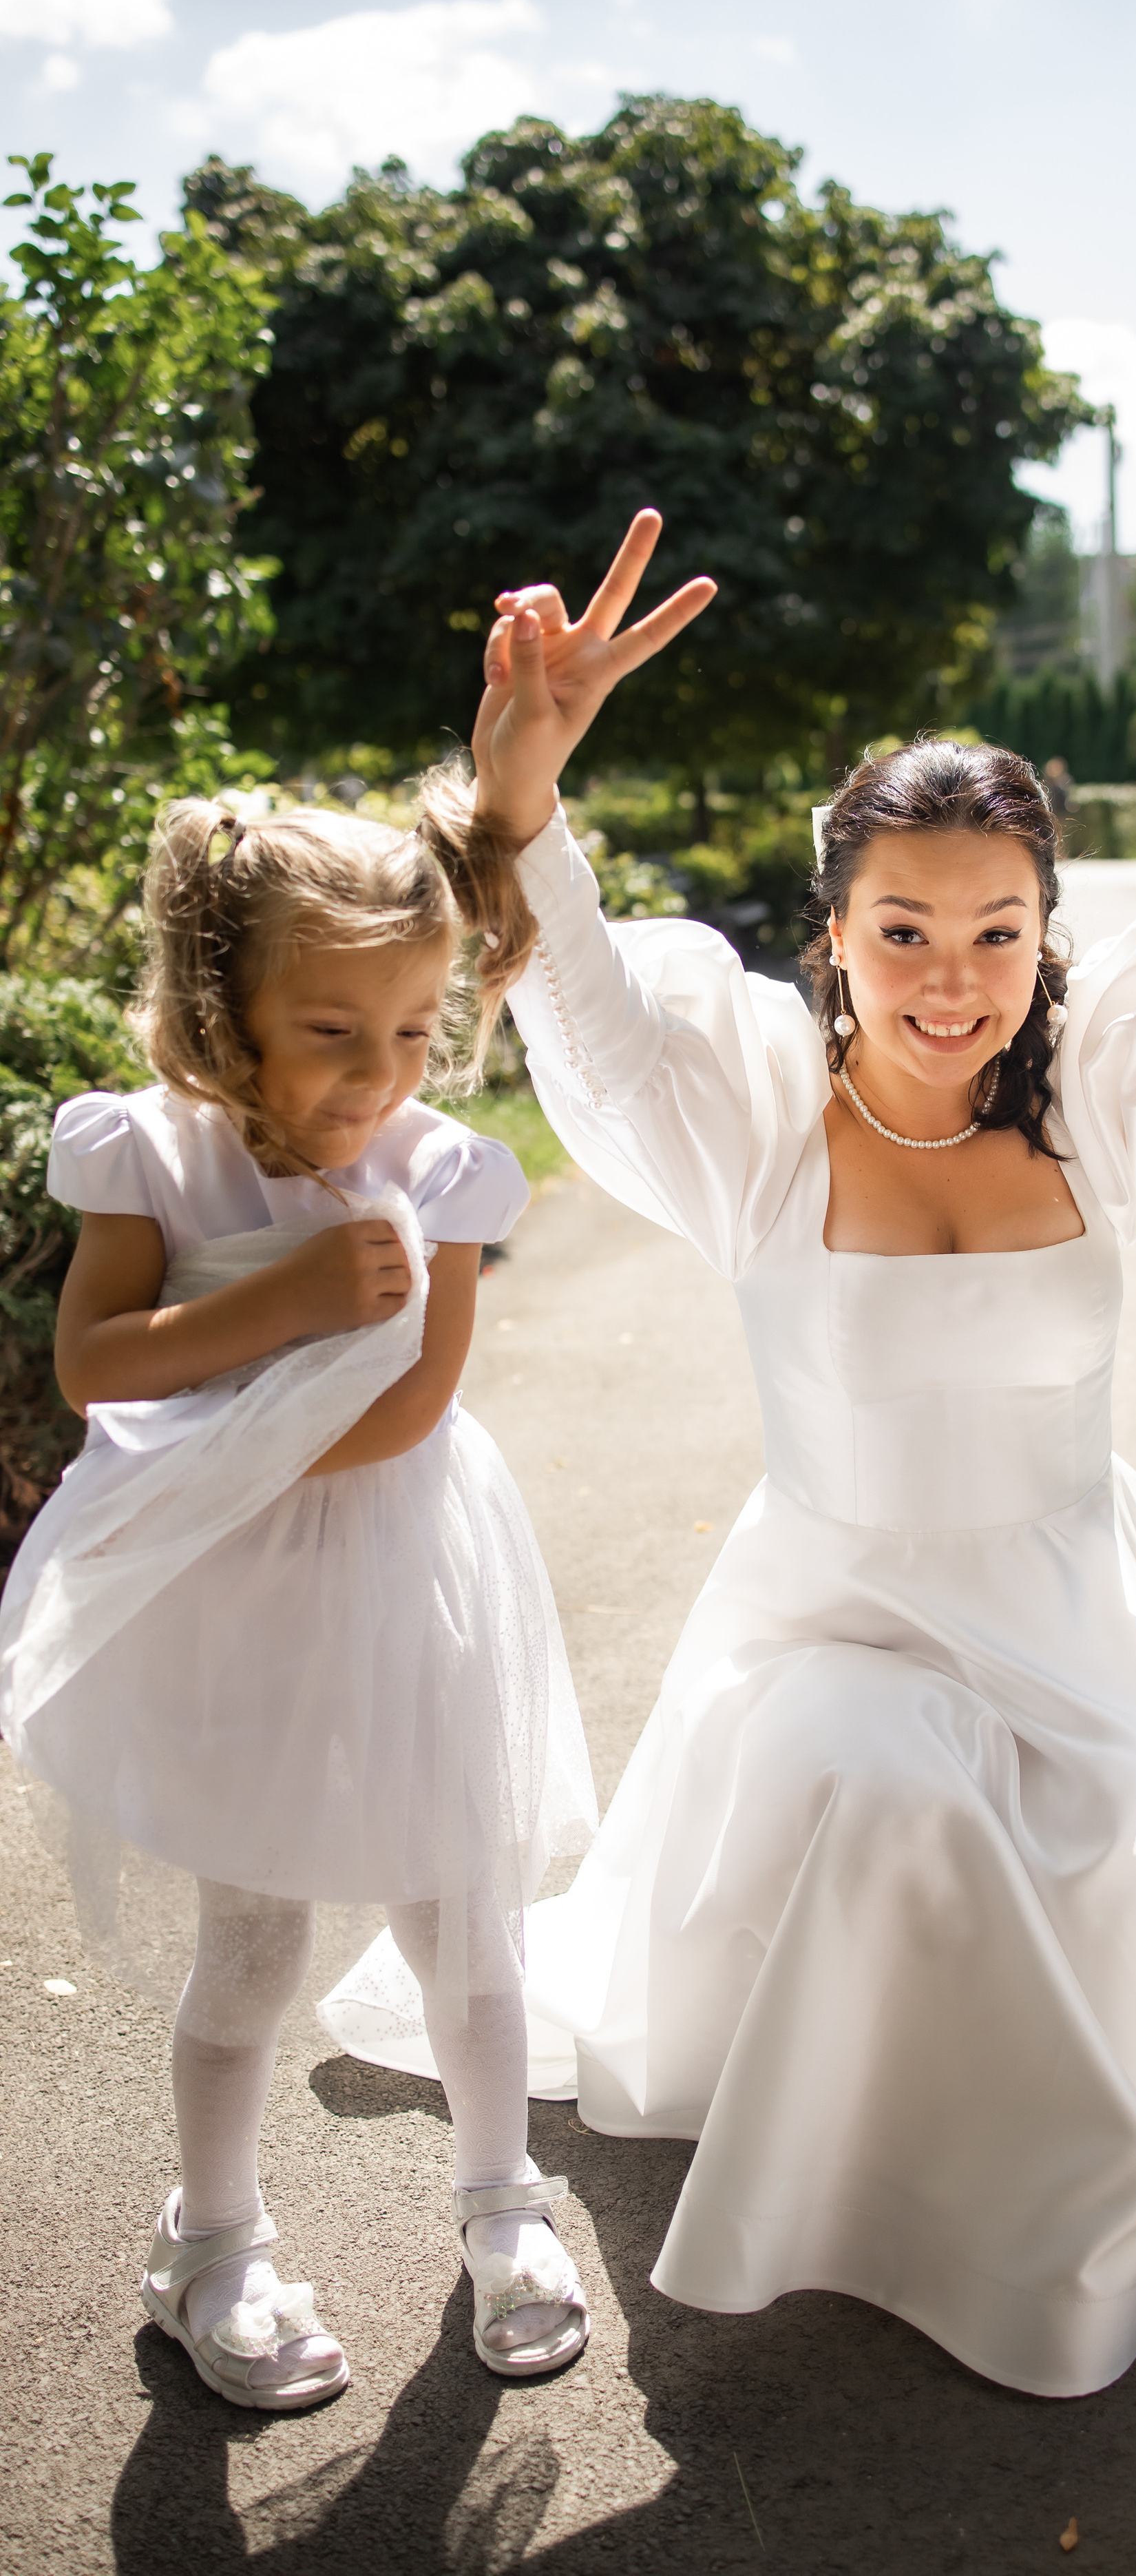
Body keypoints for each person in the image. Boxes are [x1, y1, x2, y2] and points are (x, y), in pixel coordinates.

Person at [324, 510, 1136, 2400]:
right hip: (832, 1628)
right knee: (899, 1790)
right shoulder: (758, 1119)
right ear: (838, 938)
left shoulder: (1109, 1107)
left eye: (997, 932)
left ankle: (1031, 2175)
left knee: (1116, 1894)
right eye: (902, 932)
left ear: (1050, 934)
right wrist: (520, 788)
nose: (951, 978)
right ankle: (948, 2217)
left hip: (1071, 1622)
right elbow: (598, 1023)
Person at [0, 800, 602, 2409]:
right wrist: (284, 1298)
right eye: (331, 1030)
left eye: (413, 1028)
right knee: (251, 1937)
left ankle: (501, 2203)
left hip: (407, 1579)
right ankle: (211, 2236)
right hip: (228, 1605)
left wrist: (321, 1323)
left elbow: (407, 1414)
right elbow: (95, 1362)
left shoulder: (441, 1173)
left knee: (460, 1913)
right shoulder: (149, 1152)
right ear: (223, 1009)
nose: (379, 1072)